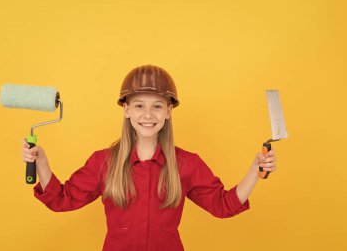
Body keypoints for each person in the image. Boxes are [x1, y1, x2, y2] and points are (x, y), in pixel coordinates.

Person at [22, 65, 276, 251]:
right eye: (139, 105)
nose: (148, 114)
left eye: (157, 106)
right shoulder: (103, 162)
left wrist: (256, 169)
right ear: (127, 110)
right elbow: (61, 200)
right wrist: (42, 163)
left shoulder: (186, 163)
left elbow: (223, 206)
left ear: (168, 111)